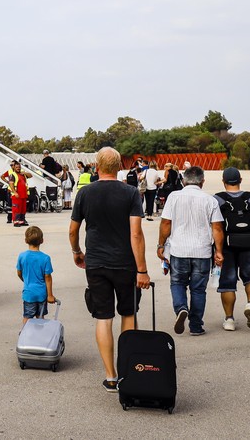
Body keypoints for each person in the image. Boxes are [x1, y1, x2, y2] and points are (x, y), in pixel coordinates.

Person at [69, 147, 150, 393]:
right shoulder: (130, 193)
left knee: (103, 318)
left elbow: (73, 230)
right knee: (128, 314)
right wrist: (142, 270)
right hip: (125, 264)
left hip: (96, 263)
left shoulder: (84, 193)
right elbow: (136, 233)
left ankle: (111, 376)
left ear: (97, 165)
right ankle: (127, 370)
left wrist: (77, 251)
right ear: (118, 167)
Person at [156, 166, 224, 336]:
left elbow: (166, 223)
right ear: (202, 181)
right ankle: (196, 326)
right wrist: (219, 251)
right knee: (198, 290)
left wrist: (160, 245)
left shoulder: (174, 197)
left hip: (179, 250)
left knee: (178, 283)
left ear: (183, 180)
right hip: (202, 251)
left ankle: (181, 308)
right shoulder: (210, 200)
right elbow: (217, 228)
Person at [214, 167, 250, 332]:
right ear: (240, 180)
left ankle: (229, 319)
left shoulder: (217, 199)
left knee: (227, 284)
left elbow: (214, 225)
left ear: (223, 181)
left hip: (226, 246)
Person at [16, 226, 55, 325]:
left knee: (27, 317)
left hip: (28, 293)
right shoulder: (45, 258)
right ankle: (39, 337)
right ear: (42, 240)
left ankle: (25, 336)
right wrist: (50, 295)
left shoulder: (22, 256)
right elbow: (48, 278)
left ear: (25, 240)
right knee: (40, 317)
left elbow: (19, 273)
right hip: (41, 293)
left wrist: (26, 280)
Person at [1, 161, 33, 227]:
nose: (18, 168)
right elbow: (11, 184)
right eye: (16, 167)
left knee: (23, 209)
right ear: (14, 168)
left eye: (19, 167)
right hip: (17, 195)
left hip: (23, 195)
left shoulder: (23, 174)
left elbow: (30, 175)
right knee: (16, 208)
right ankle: (16, 221)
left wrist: (24, 172)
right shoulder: (13, 175)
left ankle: (22, 221)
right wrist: (14, 192)